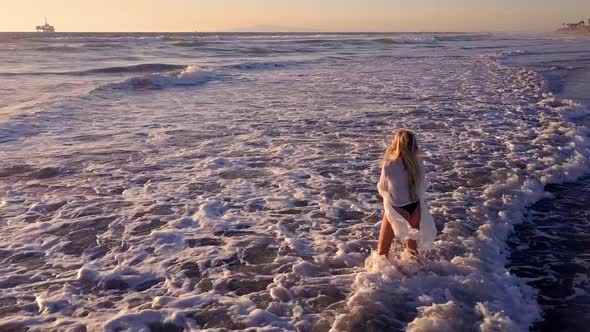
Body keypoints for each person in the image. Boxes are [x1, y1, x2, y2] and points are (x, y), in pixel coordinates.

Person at [377, 129, 436, 258]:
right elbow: (422, 186)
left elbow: (382, 187)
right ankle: (416, 274)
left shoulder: (389, 165)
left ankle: (382, 277)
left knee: (382, 252)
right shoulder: (418, 164)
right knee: (412, 251)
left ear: (396, 144)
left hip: (397, 209)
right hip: (415, 208)